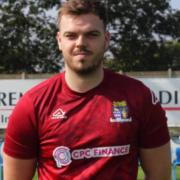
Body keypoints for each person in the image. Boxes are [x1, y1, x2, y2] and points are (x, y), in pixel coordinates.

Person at [3, 0, 171, 179]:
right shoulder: (32, 105)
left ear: (106, 39)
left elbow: (159, 175)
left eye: (91, 34)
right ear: (59, 41)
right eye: (71, 35)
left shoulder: (139, 97)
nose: (81, 43)